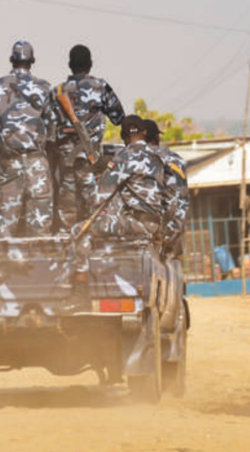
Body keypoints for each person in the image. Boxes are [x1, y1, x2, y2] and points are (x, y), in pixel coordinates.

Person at [60, 116, 169, 314]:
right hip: (154, 224)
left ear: (123, 136)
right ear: (144, 133)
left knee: (80, 231)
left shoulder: (123, 158)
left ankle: (80, 295)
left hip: (135, 224)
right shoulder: (158, 157)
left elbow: (101, 195)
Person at [0, 41, 58, 236]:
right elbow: (52, 125)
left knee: (5, 224)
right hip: (37, 161)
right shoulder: (44, 87)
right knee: (40, 224)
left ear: (11, 60)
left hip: (8, 162)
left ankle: (5, 266)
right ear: (32, 61)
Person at [54, 44, 126, 231]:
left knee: (67, 199)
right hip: (89, 155)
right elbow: (119, 118)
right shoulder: (100, 87)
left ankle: (67, 235)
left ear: (69, 64)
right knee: (92, 200)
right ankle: (95, 231)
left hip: (65, 157)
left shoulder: (58, 90)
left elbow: (48, 126)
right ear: (90, 64)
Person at [143, 119, 190, 256]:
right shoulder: (174, 160)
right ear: (157, 137)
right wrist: (168, 240)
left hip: (135, 242)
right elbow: (180, 202)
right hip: (167, 245)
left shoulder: (125, 160)